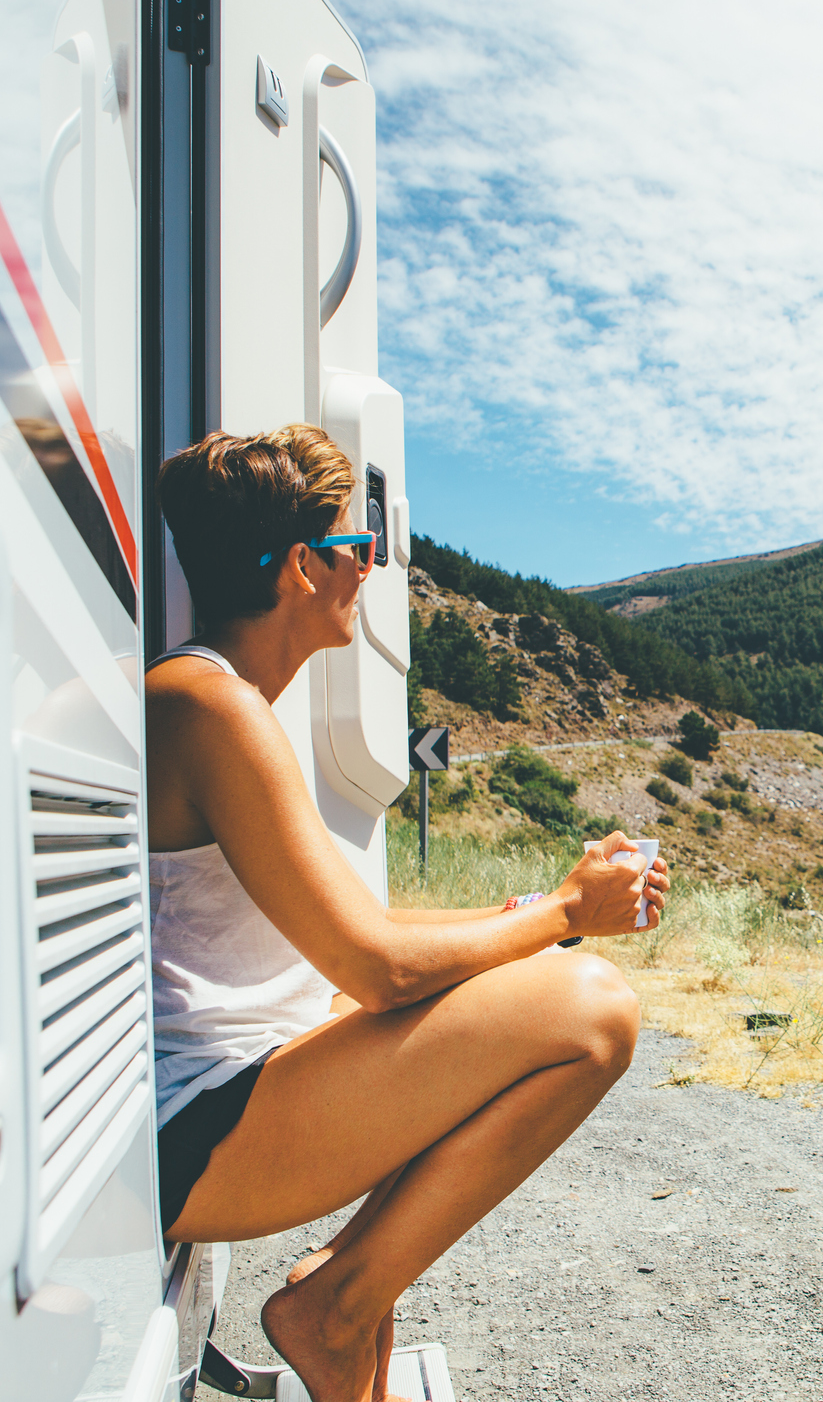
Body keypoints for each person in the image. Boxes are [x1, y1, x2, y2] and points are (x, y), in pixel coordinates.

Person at [144, 424, 665, 1402]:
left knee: (517, 991)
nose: (370, 570)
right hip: (197, 1131)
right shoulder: (210, 706)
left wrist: (544, 909)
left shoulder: (222, 700)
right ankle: (333, 1310)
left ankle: (351, 1320)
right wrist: (562, 915)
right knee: (594, 1011)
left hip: (229, 1098)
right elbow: (375, 967)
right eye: (357, 549)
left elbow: (355, 942)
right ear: (301, 568)